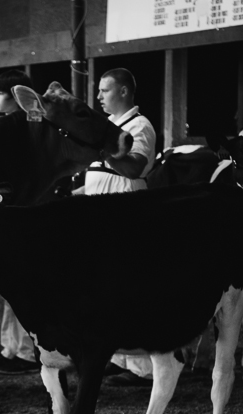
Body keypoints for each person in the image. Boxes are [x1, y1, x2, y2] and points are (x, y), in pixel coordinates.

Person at [77, 68, 157, 387]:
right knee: (106, 288)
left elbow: (135, 166)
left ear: (123, 92)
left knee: (129, 287)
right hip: (101, 212)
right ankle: (118, 356)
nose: (99, 97)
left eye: (105, 90)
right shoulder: (110, 126)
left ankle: (143, 367)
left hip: (127, 209)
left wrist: (106, 150)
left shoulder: (140, 125)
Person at [0, 69, 42, 375]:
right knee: (10, 285)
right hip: (14, 208)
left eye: (0, 92)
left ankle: (26, 351)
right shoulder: (19, 126)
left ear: (17, 96)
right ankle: (11, 347)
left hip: (18, 210)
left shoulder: (16, 127)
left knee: (19, 283)